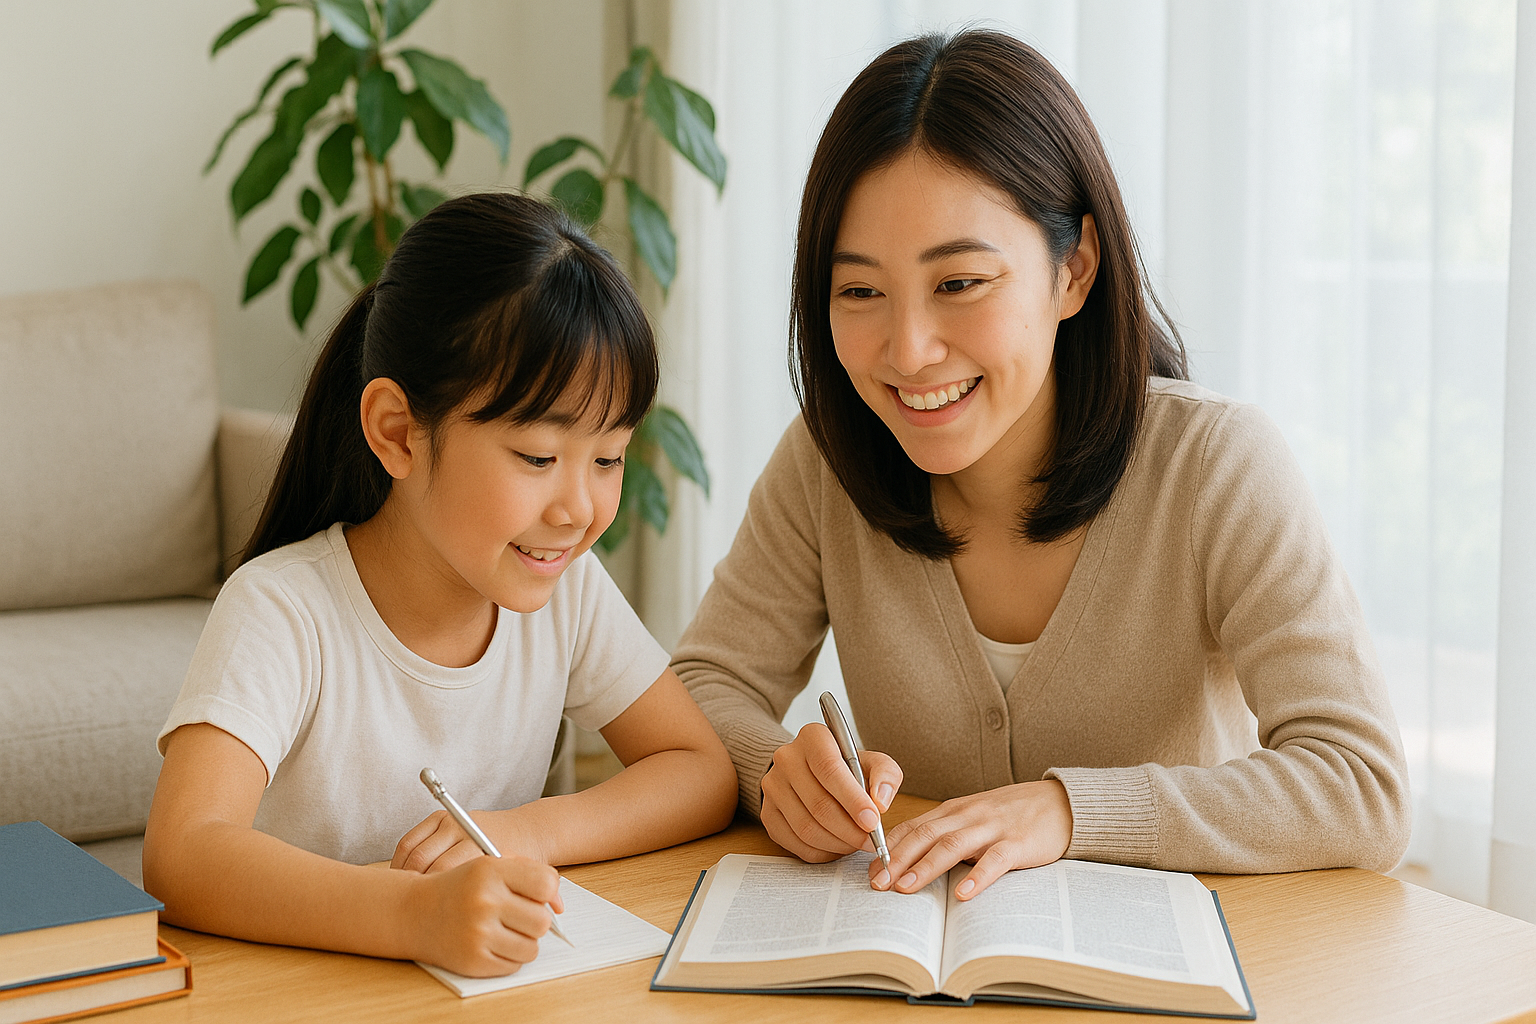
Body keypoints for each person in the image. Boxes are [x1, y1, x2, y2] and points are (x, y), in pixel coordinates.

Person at [673, 30, 1410, 903]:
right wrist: (774, 771)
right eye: (861, 292)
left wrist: (1068, 813)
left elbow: (1361, 785)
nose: (909, 352)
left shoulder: (1216, 465)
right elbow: (703, 687)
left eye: (960, 284)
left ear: (1074, 271)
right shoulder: (827, 461)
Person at [143, 193, 736, 977]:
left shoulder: (567, 590)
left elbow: (700, 770)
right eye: (537, 458)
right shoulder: (282, 609)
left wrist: (528, 831)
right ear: (397, 432)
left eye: (608, 459)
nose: (579, 509)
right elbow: (182, 853)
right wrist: (415, 914)